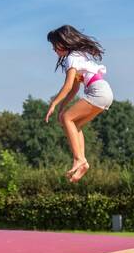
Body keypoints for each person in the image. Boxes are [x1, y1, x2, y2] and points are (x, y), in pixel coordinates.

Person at [45, 25, 114, 182]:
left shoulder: (71, 58)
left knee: (67, 119)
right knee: (73, 123)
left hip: (98, 92)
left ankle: (79, 159)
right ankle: (82, 162)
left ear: (62, 43)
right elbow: (74, 89)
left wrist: (54, 104)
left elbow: (68, 86)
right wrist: (62, 108)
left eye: (54, 46)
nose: (54, 50)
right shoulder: (79, 55)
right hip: (104, 92)